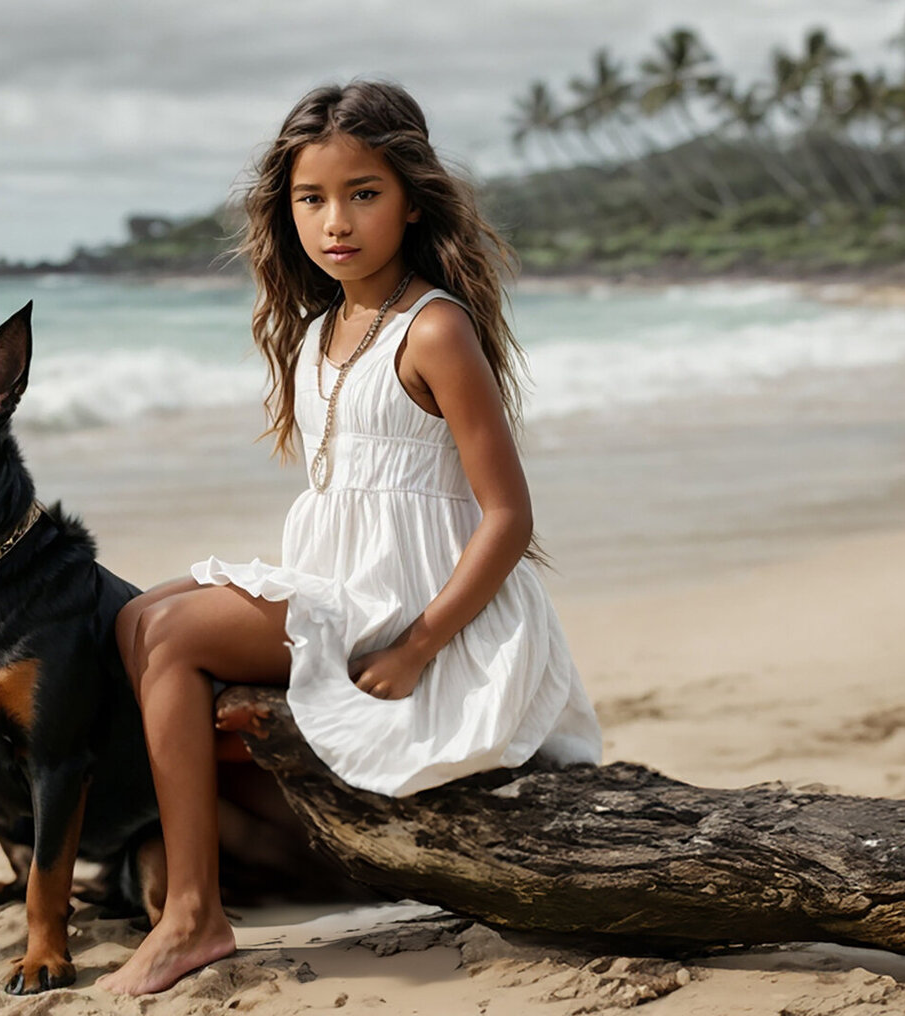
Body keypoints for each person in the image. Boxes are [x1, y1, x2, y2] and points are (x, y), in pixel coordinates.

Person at [99, 79, 602, 996]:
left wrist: (418, 646)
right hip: (348, 583)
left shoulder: (434, 327)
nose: (337, 220)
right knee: (140, 616)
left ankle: (193, 915)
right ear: (285, 208)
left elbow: (508, 517)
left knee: (171, 635)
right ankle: (234, 818)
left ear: (411, 199)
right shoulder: (317, 330)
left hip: (422, 605)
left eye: (363, 193)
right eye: (311, 198)